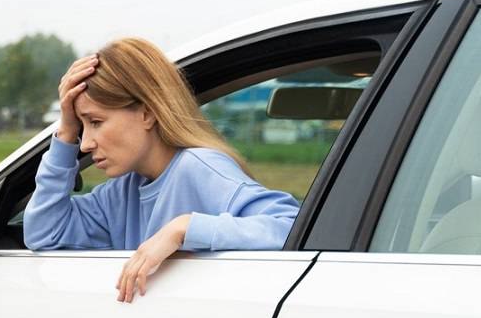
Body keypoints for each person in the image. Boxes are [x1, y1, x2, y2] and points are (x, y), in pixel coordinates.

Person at [24, 38, 301, 302]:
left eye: (95, 122)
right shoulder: (119, 193)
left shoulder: (198, 167)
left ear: (147, 113)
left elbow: (291, 227)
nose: (84, 144)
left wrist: (184, 228)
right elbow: (44, 233)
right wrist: (66, 130)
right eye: (82, 128)